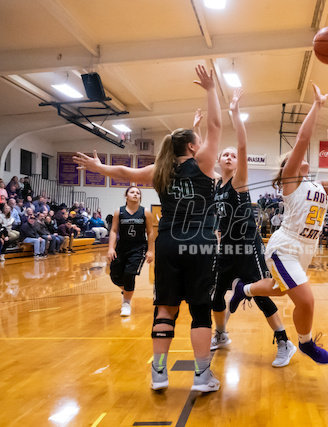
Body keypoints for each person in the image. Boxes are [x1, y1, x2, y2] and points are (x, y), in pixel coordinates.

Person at [74, 64, 223, 393]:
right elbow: (216, 125)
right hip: (199, 242)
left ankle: (158, 373)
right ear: (193, 148)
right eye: (198, 140)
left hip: (168, 242)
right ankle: (202, 376)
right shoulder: (204, 163)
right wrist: (212, 90)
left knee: (165, 307)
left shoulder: (160, 170)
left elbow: (125, 173)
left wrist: (99, 167)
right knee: (200, 309)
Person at [226, 84, 328, 365]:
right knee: (305, 300)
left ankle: (243, 289)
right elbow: (303, 139)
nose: (301, 157)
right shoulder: (291, 181)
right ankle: (306, 343)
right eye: (295, 158)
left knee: (279, 288)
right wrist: (317, 105)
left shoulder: (319, 186)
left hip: (306, 249)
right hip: (286, 247)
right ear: (287, 167)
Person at [210, 89, 295, 368]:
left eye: (233, 155)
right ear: (219, 161)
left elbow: (243, 147)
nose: (229, 157)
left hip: (248, 248)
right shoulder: (216, 185)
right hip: (226, 249)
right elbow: (201, 159)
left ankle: (284, 342)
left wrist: (235, 112)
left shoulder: (239, 181)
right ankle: (221, 334)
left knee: (259, 296)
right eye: (225, 154)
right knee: (216, 296)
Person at [108, 186, 154, 317]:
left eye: (138, 193)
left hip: (138, 248)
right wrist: (111, 248)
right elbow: (114, 231)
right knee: (115, 276)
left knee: (129, 274)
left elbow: (150, 232)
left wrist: (151, 250)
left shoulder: (145, 212)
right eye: (132, 192)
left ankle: (126, 303)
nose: (135, 194)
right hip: (122, 247)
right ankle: (127, 290)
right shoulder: (119, 212)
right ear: (126, 196)